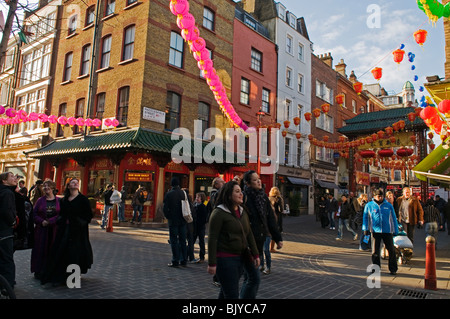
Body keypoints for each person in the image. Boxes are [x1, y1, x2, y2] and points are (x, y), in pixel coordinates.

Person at [207, 180, 259, 299]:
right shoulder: (218, 213)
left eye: (241, 191)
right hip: (225, 259)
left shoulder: (242, 211)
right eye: (237, 191)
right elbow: (212, 238)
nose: (241, 194)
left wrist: (255, 254)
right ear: (229, 195)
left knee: (227, 291)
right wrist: (212, 263)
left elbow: (249, 232)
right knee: (231, 294)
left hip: (241, 256)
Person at [41, 178, 93, 286]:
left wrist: (79, 222)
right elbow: (61, 214)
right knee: (61, 251)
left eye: (76, 183)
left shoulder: (83, 200)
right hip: (64, 230)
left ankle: (73, 277)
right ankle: (60, 275)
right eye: (72, 182)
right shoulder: (64, 200)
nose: (75, 184)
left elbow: (88, 216)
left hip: (78, 231)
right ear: (68, 186)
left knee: (75, 253)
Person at [241, 170, 283, 299]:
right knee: (253, 278)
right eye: (255, 180)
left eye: (258, 178)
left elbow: (270, 218)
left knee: (248, 278)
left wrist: (277, 238)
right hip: (247, 242)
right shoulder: (244, 197)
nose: (259, 181)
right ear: (247, 183)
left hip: (259, 239)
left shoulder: (263, 197)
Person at [362, 189, 399, 275]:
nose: (380, 198)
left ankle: (393, 268)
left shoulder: (389, 206)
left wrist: (395, 230)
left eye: (381, 196)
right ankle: (376, 268)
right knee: (375, 251)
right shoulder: (369, 205)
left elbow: (393, 218)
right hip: (375, 231)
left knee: (391, 250)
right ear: (374, 196)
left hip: (387, 231)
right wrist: (365, 228)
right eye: (378, 196)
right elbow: (365, 218)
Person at [30, 179, 60, 280]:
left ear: (53, 188)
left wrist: (51, 221)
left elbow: (61, 215)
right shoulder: (40, 200)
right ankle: (39, 271)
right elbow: (34, 214)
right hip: (41, 230)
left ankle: (50, 271)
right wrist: (41, 221)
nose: (46, 188)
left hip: (54, 230)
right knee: (40, 250)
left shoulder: (58, 201)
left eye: (48, 186)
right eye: (44, 186)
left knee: (52, 250)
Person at [163, 177, 189, 267]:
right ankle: (184, 260)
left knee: (174, 240)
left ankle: (175, 260)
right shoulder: (183, 193)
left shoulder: (169, 194)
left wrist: (168, 216)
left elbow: (165, 208)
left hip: (173, 220)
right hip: (183, 219)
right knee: (183, 240)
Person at [0, 172, 18, 289]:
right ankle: (7, 285)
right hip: (5, 231)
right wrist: (13, 222)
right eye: (11, 176)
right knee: (7, 259)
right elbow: (6, 211)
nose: (14, 178)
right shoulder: (7, 193)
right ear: (4, 181)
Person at [192, 192, 208, 262]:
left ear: (202, 199)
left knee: (201, 242)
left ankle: (202, 256)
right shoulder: (194, 205)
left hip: (200, 227)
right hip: (194, 227)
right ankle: (189, 255)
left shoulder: (203, 206)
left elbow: (204, 218)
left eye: (198, 197)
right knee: (192, 241)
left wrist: (200, 223)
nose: (196, 199)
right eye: (196, 197)